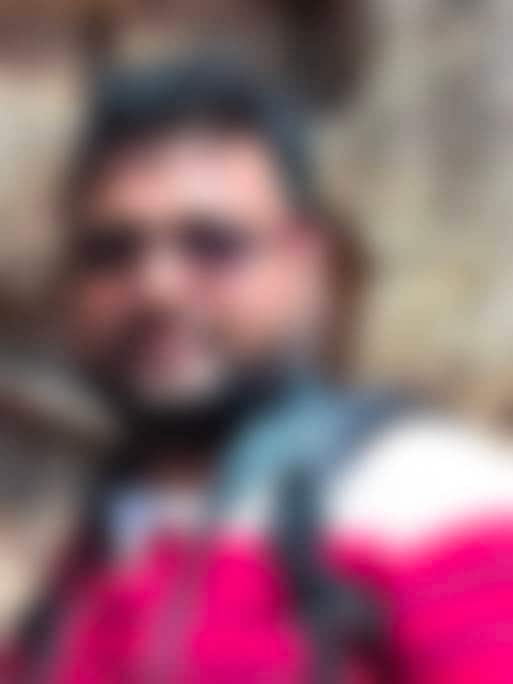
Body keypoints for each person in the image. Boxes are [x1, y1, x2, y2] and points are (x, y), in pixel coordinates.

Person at [11, 60, 513, 683]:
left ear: (307, 261)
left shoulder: (433, 506)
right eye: (112, 252)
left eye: (211, 244)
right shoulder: (90, 557)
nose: (157, 288)